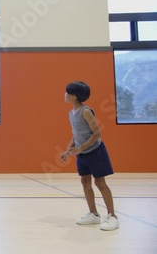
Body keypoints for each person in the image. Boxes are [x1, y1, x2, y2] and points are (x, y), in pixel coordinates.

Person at [60, 81, 119, 231]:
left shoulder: (85, 111)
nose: (64, 94)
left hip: (95, 151)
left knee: (100, 183)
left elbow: (97, 133)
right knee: (85, 182)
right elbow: (76, 134)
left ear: (74, 96)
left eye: (67, 92)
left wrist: (81, 148)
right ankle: (94, 214)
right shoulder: (71, 113)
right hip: (82, 153)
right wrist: (69, 150)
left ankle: (112, 216)